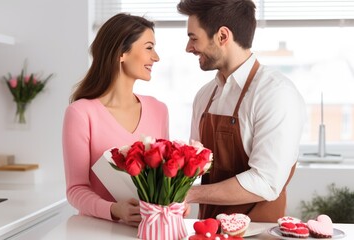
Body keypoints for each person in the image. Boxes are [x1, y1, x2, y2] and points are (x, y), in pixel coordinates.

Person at [177, 0, 306, 222]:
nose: (188, 47)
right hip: (206, 231)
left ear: (223, 36)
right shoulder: (204, 96)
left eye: (193, 37)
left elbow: (266, 182)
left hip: (257, 233)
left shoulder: (275, 93)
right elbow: (196, 166)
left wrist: (188, 194)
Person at [62, 13, 169, 227]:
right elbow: (76, 189)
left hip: (149, 230)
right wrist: (114, 210)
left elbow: (164, 177)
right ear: (121, 52)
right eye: (149, 47)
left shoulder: (159, 109)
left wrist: (175, 201)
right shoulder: (81, 113)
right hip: (97, 231)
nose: (156, 57)